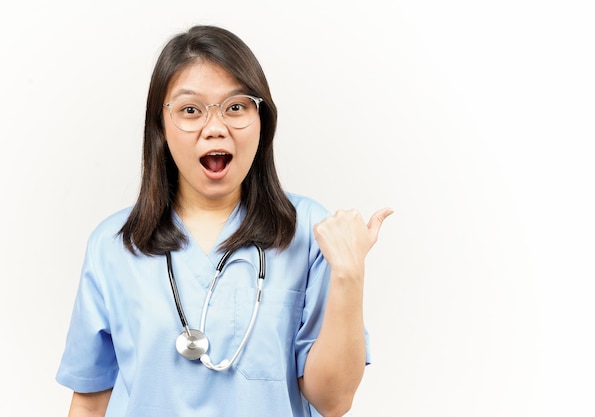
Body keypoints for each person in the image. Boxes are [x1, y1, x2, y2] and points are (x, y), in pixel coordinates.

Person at [56, 24, 392, 417]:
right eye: (190, 110)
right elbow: (90, 400)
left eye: (236, 107)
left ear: (262, 120)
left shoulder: (309, 232)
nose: (215, 128)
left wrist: (349, 276)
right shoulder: (112, 245)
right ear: (160, 128)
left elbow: (332, 401)